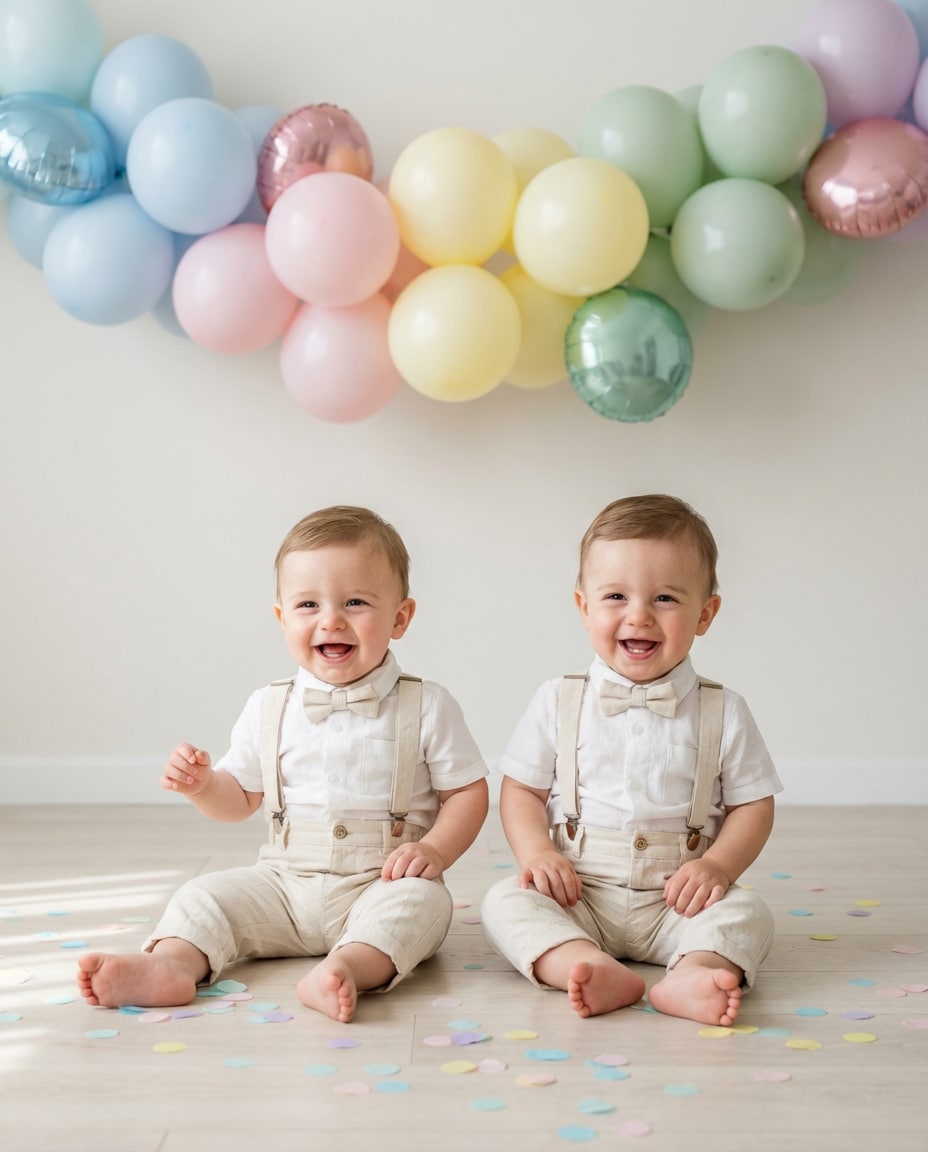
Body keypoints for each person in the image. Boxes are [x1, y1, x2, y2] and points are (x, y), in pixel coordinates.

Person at [78, 505, 489, 1023]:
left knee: (422, 905)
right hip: (283, 882)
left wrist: (433, 850)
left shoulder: (427, 704)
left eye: (356, 602)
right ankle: (172, 964)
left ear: (400, 618)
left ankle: (346, 968)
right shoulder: (268, 705)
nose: (331, 619)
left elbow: (467, 793)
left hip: (380, 881)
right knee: (205, 894)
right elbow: (240, 799)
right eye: (308, 604)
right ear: (282, 618)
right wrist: (204, 785)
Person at [481, 494, 782, 1027]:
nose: (638, 615)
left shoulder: (724, 710)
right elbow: (521, 789)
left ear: (705, 613)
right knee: (506, 902)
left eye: (665, 597)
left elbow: (753, 805)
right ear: (584, 607)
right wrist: (537, 853)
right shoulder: (558, 699)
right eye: (616, 595)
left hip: (678, 900)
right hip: (579, 891)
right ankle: (581, 961)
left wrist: (717, 866)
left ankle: (693, 971)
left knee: (746, 913)